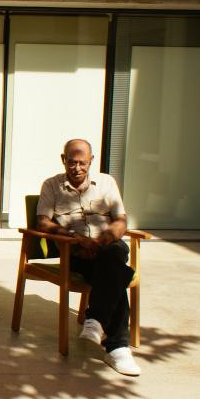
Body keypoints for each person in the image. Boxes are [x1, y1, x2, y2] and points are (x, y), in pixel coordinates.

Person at [36, 138, 140, 377]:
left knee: (112, 256)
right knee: (118, 272)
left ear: (91, 161)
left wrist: (101, 241)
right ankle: (117, 348)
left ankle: (96, 320)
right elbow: (42, 222)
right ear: (63, 160)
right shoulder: (52, 185)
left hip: (108, 246)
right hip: (75, 251)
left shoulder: (106, 183)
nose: (77, 168)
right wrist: (74, 238)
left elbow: (120, 220)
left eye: (82, 163)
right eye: (71, 162)